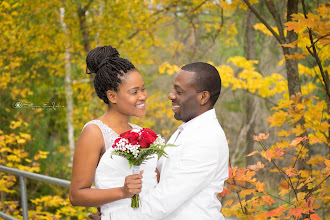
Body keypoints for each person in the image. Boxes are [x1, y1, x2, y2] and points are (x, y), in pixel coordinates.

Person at [95, 62, 229, 219]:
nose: (171, 95)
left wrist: (111, 217)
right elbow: (154, 180)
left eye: (179, 92)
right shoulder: (188, 129)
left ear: (203, 97)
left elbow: (162, 203)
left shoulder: (206, 139)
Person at [69, 45, 158, 218]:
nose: (143, 96)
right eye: (134, 92)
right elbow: (76, 195)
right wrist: (122, 192)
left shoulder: (141, 133)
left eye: (143, 88)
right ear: (112, 96)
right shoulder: (94, 132)